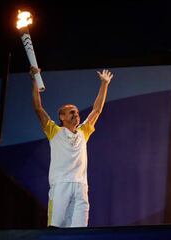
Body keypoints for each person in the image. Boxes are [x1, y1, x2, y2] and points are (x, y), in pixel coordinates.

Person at [30, 66, 113, 227]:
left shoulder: (84, 131)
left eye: (76, 112)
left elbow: (97, 110)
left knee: (79, 232)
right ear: (61, 117)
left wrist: (104, 84)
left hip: (81, 187)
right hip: (61, 185)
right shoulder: (54, 131)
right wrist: (35, 80)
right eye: (71, 112)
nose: (76, 114)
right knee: (55, 229)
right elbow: (38, 108)